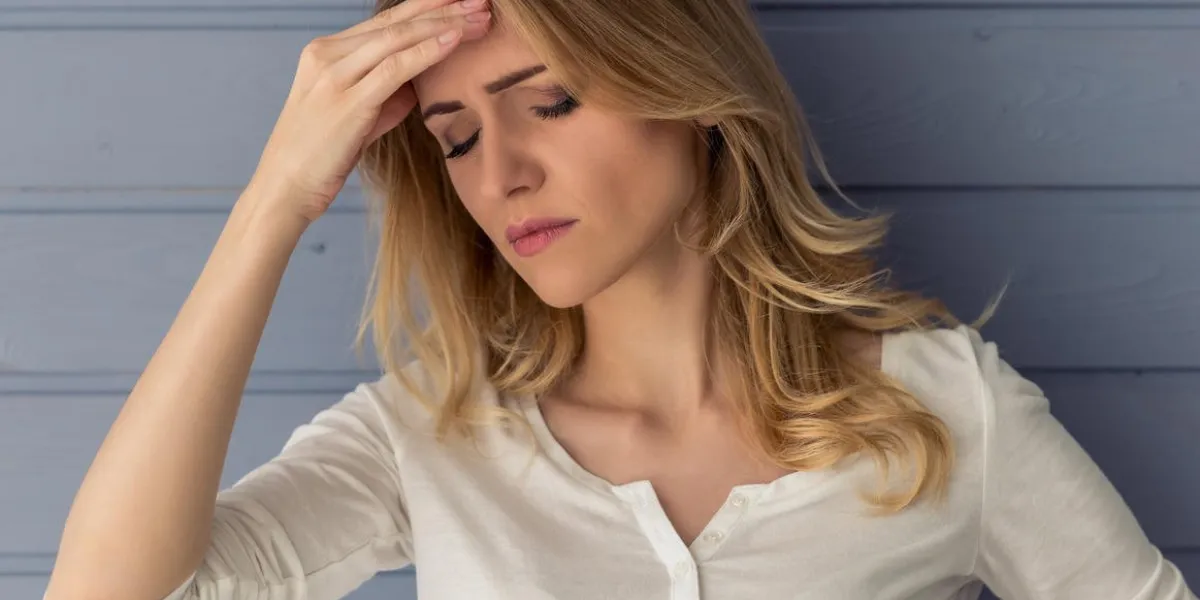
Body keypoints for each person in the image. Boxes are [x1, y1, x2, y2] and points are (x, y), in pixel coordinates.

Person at [42, 0, 1196, 598]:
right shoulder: (429, 436)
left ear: (684, 88)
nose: (500, 177)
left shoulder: (946, 415)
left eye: (548, 104)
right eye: (453, 139)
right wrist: (275, 200)